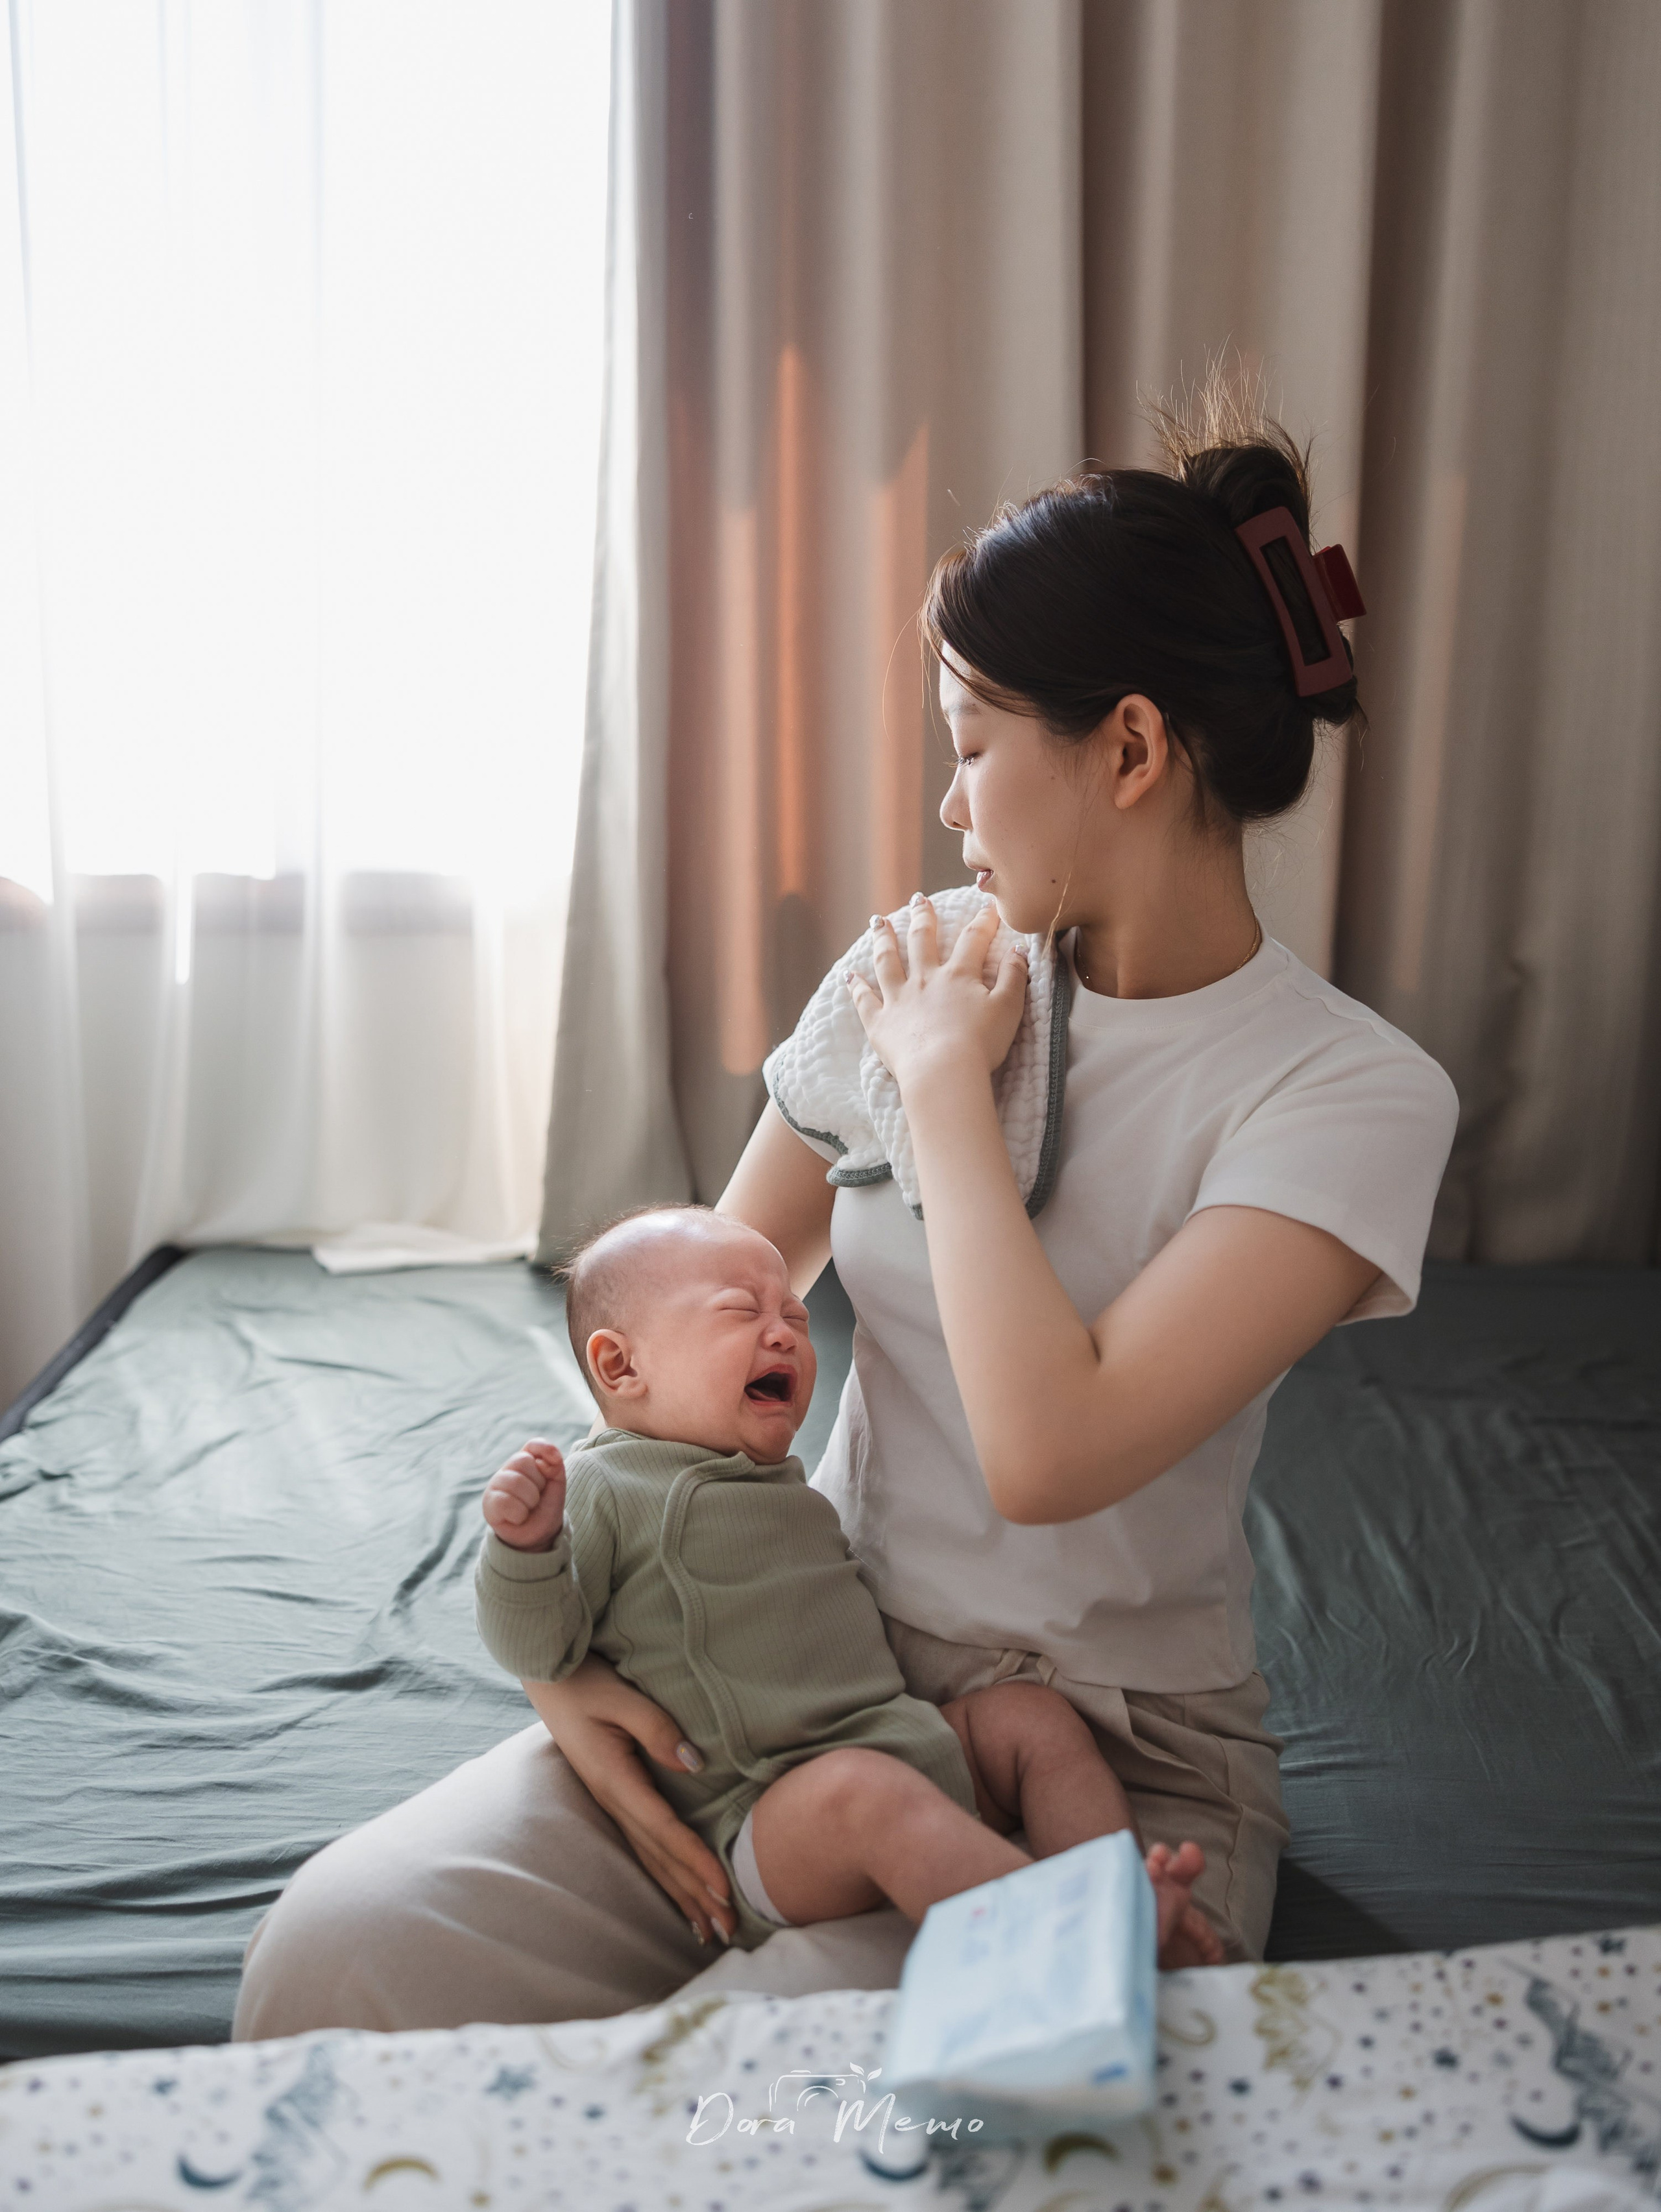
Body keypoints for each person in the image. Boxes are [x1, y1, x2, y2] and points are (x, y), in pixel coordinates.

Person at [233, 393, 1458, 2039]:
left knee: (784, 2095)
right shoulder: (913, 966)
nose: (949, 811)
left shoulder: (1343, 1093)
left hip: (1097, 1754)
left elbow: (1046, 1450)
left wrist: (944, 1087)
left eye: (969, 748)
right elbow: (672, 1330)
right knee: (336, 1953)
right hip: (785, 1669)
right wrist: (561, 1658)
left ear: (1130, 749)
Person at [475, 1204, 1221, 1963]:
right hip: (770, 1815)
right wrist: (525, 1548)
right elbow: (537, 1646)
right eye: (741, 1311)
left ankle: (1110, 1889)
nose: (784, 1332)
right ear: (620, 1367)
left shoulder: (780, 1483)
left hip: (907, 1747)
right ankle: (1085, 1941)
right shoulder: (607, 1480)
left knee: (1033, 1720)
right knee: (864, 1794)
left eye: (796, 1315)